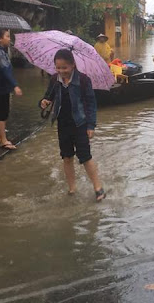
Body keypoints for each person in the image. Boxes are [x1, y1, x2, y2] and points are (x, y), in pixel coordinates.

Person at [39, 49, 105, 201]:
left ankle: (98, 187)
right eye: (58, 67)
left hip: (80, 124)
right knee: (67, 157)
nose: (61, 71)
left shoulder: (83, 80)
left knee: (85, 156)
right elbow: (48, 96)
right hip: (63, 124)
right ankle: (72, 188)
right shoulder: (55, 79)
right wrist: (43, 102)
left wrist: (91, 125)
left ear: (73, 65)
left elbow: (90, 104)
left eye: (64, 68)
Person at [0, 29, 22, 150]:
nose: (9, 39)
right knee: (2, 113)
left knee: (4, 112)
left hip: (2, 87)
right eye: (7, 36)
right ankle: (3, 140)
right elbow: (5, 70)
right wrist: (15, 85)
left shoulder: (2, 52)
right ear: (0, 38)